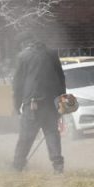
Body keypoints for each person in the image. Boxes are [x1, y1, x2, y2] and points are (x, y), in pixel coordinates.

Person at [11, 32, 67, 173]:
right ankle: (58, 166)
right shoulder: (52, 54)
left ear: (24, 44)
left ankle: (17, 166)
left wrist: (16, 105)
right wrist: (63, 104)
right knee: (51, 133)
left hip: (33, 104)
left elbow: (18, 84)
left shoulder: (23, 57)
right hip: (51, 104)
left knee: (26, 136)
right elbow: (61, 79)